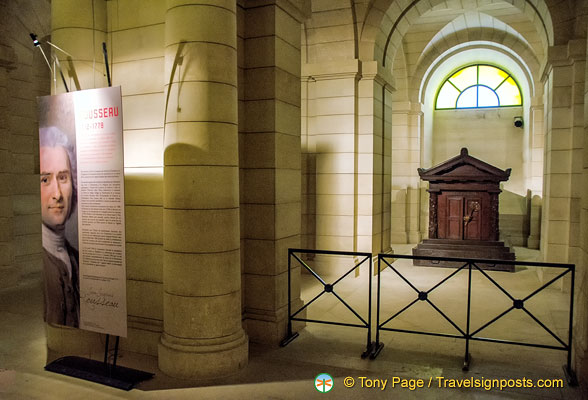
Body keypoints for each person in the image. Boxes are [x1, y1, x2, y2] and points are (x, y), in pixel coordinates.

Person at [39, 126, 80, 327]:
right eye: (45, 179)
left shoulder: (76, 258)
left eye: (63, 177)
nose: (57, 194)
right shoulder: (38, 262)